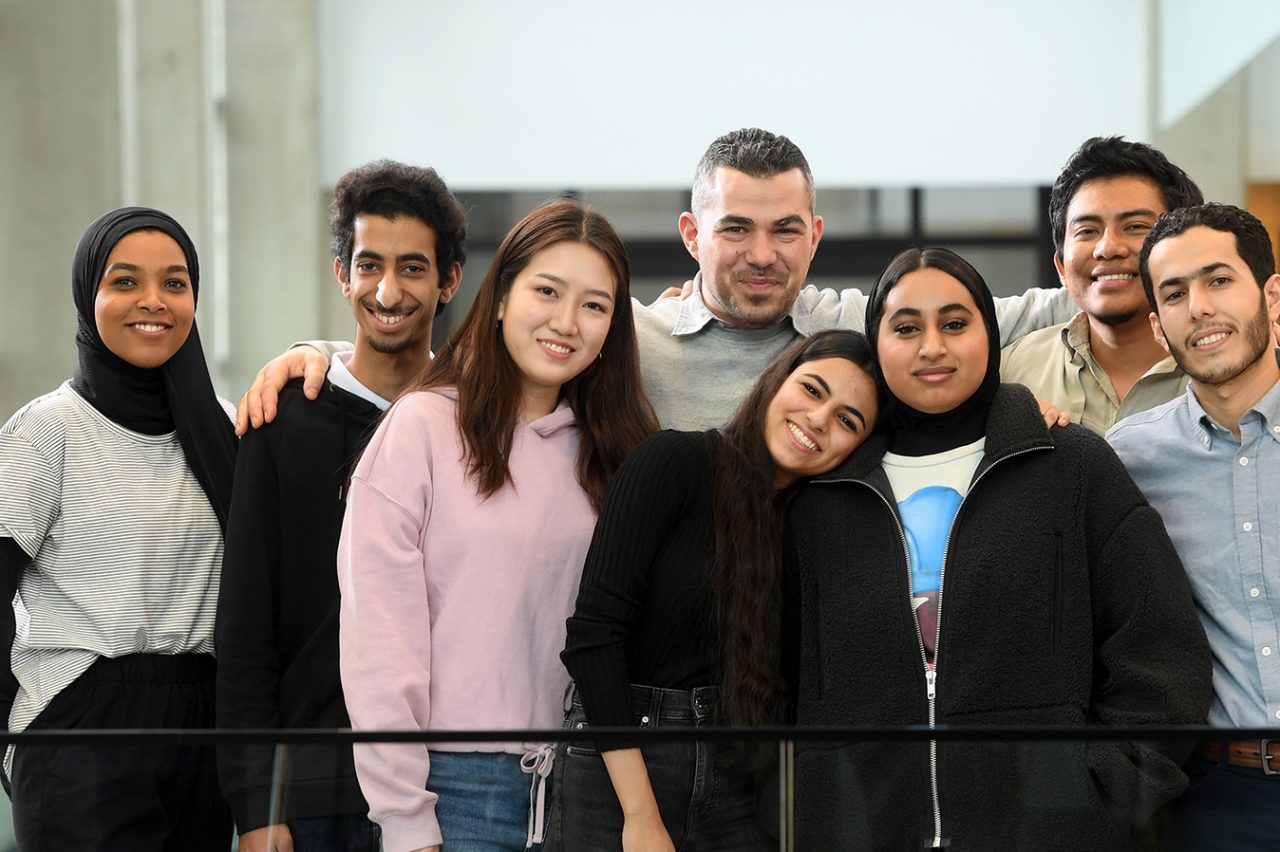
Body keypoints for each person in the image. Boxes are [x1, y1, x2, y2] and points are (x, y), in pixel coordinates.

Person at [782, 246, 1211, 850]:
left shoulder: (1072, 464)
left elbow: (1161, 653)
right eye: (906, 328)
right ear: (876, 343)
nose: (932, 346)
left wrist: (1100, 803)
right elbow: (772, 678)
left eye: (955, 324)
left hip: (1046, 832)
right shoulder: (823, 492)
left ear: (990, 333)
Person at [236, 128, 1078, 433]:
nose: (762, 253)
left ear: (814, 236)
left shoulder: (864, 329)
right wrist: (318, 354)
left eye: (786, 230)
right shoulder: (625, 339)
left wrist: (1136, 273)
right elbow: (470, 370)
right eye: (735, 229)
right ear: (691, 235)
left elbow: (1030, 308)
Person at [337, 198, 658, 852]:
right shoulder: (422, 426)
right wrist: (405, 820)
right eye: (547, 291)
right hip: (456, 791)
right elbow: (379, 644)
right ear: (503, 295)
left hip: (589, 788)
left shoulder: (620, 450)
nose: (566, 322)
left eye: (595, 305)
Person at [549, 329, 882, 852]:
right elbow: (593, 640)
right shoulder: (674, 461)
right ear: (778, 379)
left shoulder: (811, 531)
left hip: (738, 778)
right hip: (623, 766)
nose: (819, 419)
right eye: (813, 390)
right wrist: (640, 815)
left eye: (848, 420)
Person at [216, 160, 466, 852]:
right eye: (369, 266)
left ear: (449, 280)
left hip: (455, 787)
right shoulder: (281, 423)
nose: (388, 291)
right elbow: (245, 633)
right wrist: (256, 807)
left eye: (413, 268)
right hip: (311, 794)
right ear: (341, 274)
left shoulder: (475, 426)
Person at [0, 207, 237, 848]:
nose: (153, 302)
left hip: (203, 728)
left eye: (175, 282)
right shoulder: (47, 432)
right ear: (88, 294)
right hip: (83, 722)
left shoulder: (220, 426)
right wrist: (24, 730)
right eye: (125, 281)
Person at [1106, 203, 1280, 850]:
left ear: (1271, 293)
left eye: (1218, 280)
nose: (1199, 307)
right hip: (1218, 797)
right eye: (1175, 294)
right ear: (1157, 325)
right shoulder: (1128, 458)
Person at [1001, 136, 1203, 433]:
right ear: (1061, 266)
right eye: (1087, 230)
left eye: (1135, 227)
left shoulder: (1225, 368)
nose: (1108, 248)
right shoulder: (1009, 374)